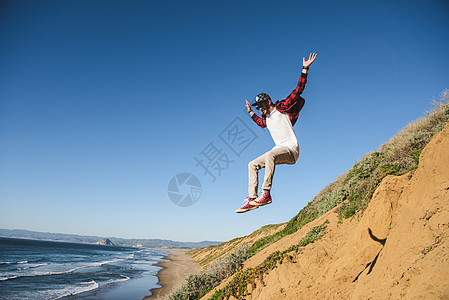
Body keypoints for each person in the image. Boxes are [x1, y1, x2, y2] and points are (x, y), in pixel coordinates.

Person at [236, 53, 317, 213]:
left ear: (268, 101)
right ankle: (252, 199)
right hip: (279, 151)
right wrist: (250, 112)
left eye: (260, 106)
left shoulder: (281, 108)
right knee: (252, 165)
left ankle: (266, 193)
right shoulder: (265, 118)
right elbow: (260, 123)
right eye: (258, 107)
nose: (260, 109)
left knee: (269, 155)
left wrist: (305, 69)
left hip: (291, 150)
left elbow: (297, 91)